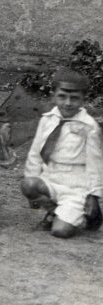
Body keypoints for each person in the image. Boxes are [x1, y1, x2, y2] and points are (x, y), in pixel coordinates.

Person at [21, 68, 103, 238]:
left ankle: (85, 216)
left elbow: (96, 164)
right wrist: (32, 178)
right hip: (51, 177)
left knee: (60, 231)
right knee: (28, 185)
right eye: (62, 96)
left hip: (76, 185)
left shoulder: (89, 127)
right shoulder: (47, 120)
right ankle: (53, 211)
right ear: (53, 95)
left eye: (74, 98)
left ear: (83, 99)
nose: (67, 103)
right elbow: (35, 153)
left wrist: (94, 196)